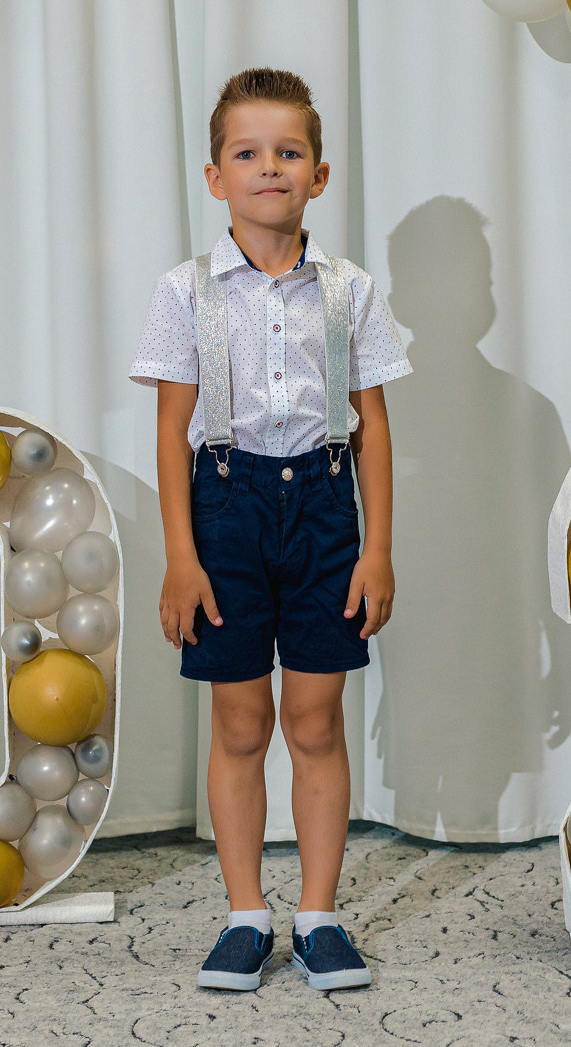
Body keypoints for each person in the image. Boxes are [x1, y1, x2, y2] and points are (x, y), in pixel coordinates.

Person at [129, 67, 410, 992]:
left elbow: (371, 426)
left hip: (326, 505)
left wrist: (375, 547)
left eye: (288, 152)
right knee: (242, 720)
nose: (269, 168)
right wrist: (181, 555)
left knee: (316, 720)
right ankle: (246, 914)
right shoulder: (186, 290)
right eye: (247, 154)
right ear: (216, 177)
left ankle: (319, 914)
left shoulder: (349, 289)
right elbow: (172, 430)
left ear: (318, 175)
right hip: (226, 505)